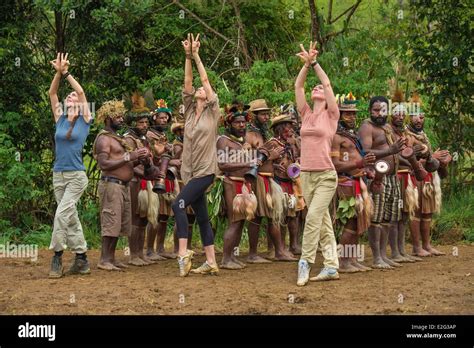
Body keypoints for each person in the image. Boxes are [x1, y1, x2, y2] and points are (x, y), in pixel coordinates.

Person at [171, 33, 220, 276]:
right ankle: (211, 261)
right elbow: (189, 81)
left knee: (177, 204)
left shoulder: (213, 110)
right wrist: (187, 56)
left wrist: (198, 55)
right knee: (201, 216)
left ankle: (183, 254)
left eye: (204, 89)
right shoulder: (190, 111)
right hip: (189, 172)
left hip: (206, 171)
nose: (200, 89)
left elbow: (204, 79)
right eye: (199, 90)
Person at [294, 41, 341, 286]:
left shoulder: (331, 115)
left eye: (319, 88)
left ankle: (305, 263)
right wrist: (305, 66)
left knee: (312, 219)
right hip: (306, 176)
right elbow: (299, 85)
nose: (316, 87)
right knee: (321, 221)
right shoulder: (306, 114)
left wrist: (315, 63)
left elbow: (327, 84)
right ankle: (331, 266)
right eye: (315, 88)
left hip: (325, 176)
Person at [48, 52, 92, 279]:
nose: (71, 96)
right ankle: (82, 258)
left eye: (73, 95)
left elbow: (82, 91)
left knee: (60, 214)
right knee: (70, 216)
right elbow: (52, 92)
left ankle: (56, 256)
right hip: (58, 175)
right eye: (69, 96)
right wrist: (57, 73)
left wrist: (66, 73)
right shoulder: (60, 118)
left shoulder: (85, 119)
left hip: (76, 176)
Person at [93, 100, 150, 271]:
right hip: (111, 185)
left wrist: (139, 159)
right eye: (116, 117)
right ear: (107, 119)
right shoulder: (104, 139)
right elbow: (104, 165)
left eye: (121, 116)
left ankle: (111, 258)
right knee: (110, 221)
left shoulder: (118, 139)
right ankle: (104, 259)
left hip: (123, 185)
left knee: (118, 224)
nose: (120, 119)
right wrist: (129, 157)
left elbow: (125, 164)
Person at [358, 96, 406, 269]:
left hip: (392, 177)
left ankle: (384, 256)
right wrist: (389, 150)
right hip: (377, 177)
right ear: (370, 110)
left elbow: (395, 152)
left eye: (383, 110)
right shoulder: (367, 127)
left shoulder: (386, 127)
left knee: (388, 218)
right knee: (376, 218)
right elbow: (364, 152)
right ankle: (377, 257)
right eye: (376, 110)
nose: (380, 113)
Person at [331, 94, 376, 272]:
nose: (351, 117)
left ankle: (352, 260)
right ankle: (343, 262)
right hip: (345, 183)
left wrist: (367, 170)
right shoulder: (336, 138)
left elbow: (359, 159)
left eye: (353, 114)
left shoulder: (352, 136)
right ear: (339, 115)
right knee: (350, 222)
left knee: (358, 222)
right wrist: (359, 164)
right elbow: (334, 165)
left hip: (358, 182)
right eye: (347, 114)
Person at [404, 96, 451, 256]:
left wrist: (441, 160)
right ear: (409, 117)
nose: (419, 120)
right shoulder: (406, 135)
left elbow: (430, 159)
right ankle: (416, 248)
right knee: (416, 211)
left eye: (422, 117)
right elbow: (407, 161)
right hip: (414, 178)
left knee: (427, 212)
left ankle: (427, 245)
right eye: (415, 117)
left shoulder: (423, 135)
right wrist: (434, 157)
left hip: (428, 179)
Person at [217, 102, 258, 269]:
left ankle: (232, 257)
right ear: (228, 124)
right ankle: (225, 259)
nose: (241, 125)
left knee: (241, 221)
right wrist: (246, 164)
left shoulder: (242, 142)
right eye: (237, 122)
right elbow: (222, 165)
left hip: (243, 184)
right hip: (231, 183)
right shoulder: (223, 141)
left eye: (243, 122)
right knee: (234, 221)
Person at [123, 94, 156, 266]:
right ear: (133, 123)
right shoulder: (128, 138)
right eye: (141, 123)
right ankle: (133, 255)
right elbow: (128, 162)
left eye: (146, 122)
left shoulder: (144, 139)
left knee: (143, 218)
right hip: (134, 182)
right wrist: (145, 174)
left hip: (145, 181)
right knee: (135, 217)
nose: (144, 125)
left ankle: (140, 253)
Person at [389, 102, 423, 262]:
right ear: (390, 115)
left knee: (403, 215)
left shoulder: (405, 134)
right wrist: (410, 160)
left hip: (407, 179)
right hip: (397, 177)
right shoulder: (388, 132)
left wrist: (420, 152)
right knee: (395, 215)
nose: (401, 117)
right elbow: (394, 155)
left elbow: (415, 150)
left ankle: (402, 251)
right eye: (397, 114)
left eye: (403, 114)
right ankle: (395, 252)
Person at [245, 99, 277, 263]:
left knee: (271, 215)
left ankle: (273, 251)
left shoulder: (265, 134)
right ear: (254, 116)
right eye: (263, 114)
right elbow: (248, 158)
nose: (266, 117)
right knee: (257, 216)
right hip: (257, 179)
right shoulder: (250, 135)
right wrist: (271, 156)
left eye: (267, 114)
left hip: (268, 179)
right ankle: (252, 254)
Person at [145, 99, 178, 260]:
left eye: (166, 118)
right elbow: (155, 158)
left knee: (164, 215)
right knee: (155, 215)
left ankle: (160, 248)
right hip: (154, 177)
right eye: (161, 118)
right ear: (154, 119)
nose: (164, 120)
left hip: (165, 178)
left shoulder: (163, 135)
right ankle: (150, 250)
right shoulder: (150, 135)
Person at [270, 113, 302, 256]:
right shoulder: (272, 143)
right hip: (277, 183)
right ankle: (280, 248)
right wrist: (274, 166)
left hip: (291, 182)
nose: (290, 131)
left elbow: (299, 157)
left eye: (291, 127)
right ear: (279, 129)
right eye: (286, 128)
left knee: (293, 215)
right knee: (280, 215)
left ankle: (294, 245)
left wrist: (299, 161)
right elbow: (262, 162)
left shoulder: (293, 143)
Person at [169, 113, 196, 254]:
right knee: (181, 217)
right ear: (179, 132)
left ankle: (188, 247)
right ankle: (177, 248)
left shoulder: (190, 144)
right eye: (184, 130)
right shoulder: (178, 146)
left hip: (191, 182)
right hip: (181, 183)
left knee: (190, 218)